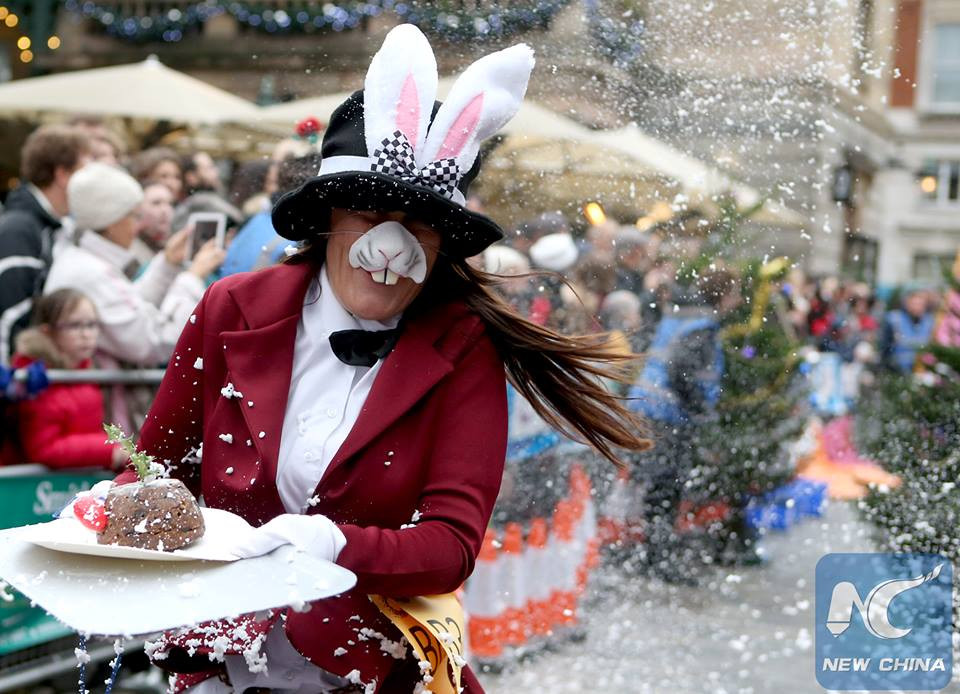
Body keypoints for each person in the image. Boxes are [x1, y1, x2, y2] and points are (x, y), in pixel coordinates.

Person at [124, 25, 649, 694]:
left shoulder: (462, 346)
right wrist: (118, 519)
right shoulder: (233, 308)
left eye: (422, 224)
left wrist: (336, 546)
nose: (394, 245)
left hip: (374, 674)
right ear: (331, 215)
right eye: (374, 213)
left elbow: (452, 545)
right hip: (224, 667)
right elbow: (154, 471)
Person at [44, 162, 224, 367]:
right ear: (112, 221)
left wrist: (168, 264)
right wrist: (192, 277)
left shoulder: (84, 260)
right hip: (103, 396)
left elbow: (133, 308)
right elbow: (153, 342)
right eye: (133, 216)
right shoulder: (89, 271)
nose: (138, 226)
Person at [0, 124, 92, 364]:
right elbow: (10, 314)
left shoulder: (51, 226)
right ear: (62, 175)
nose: (89, 183)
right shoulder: (20, 228)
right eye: (84, 172)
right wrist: (14, 380)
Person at [11, 289, 126, 470]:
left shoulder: (86, 372)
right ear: (48, 331)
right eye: (74, 326)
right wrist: (107, 451)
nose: (86, 334)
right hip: (35, 490)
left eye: (91, 325)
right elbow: (44, 448)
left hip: (75, 481)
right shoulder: (36, 378)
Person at [220, 154, 321, 277]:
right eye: (269, 182)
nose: (267, 187)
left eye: (271, 182)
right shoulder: (299, 239)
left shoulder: (256, 219)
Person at [880, 288, 935, 373]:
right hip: (897, 370)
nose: (917, 307)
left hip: (921, 372)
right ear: (907, 303)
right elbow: (885, 349)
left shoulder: (930, 322)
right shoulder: (894, 320)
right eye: (914, 304)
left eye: (920, 304)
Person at [131, 181, 176, 267]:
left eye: (170, 203)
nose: (165, 210)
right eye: (156, 203)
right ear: (137, 209)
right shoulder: (130, 250)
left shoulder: (175, 244)